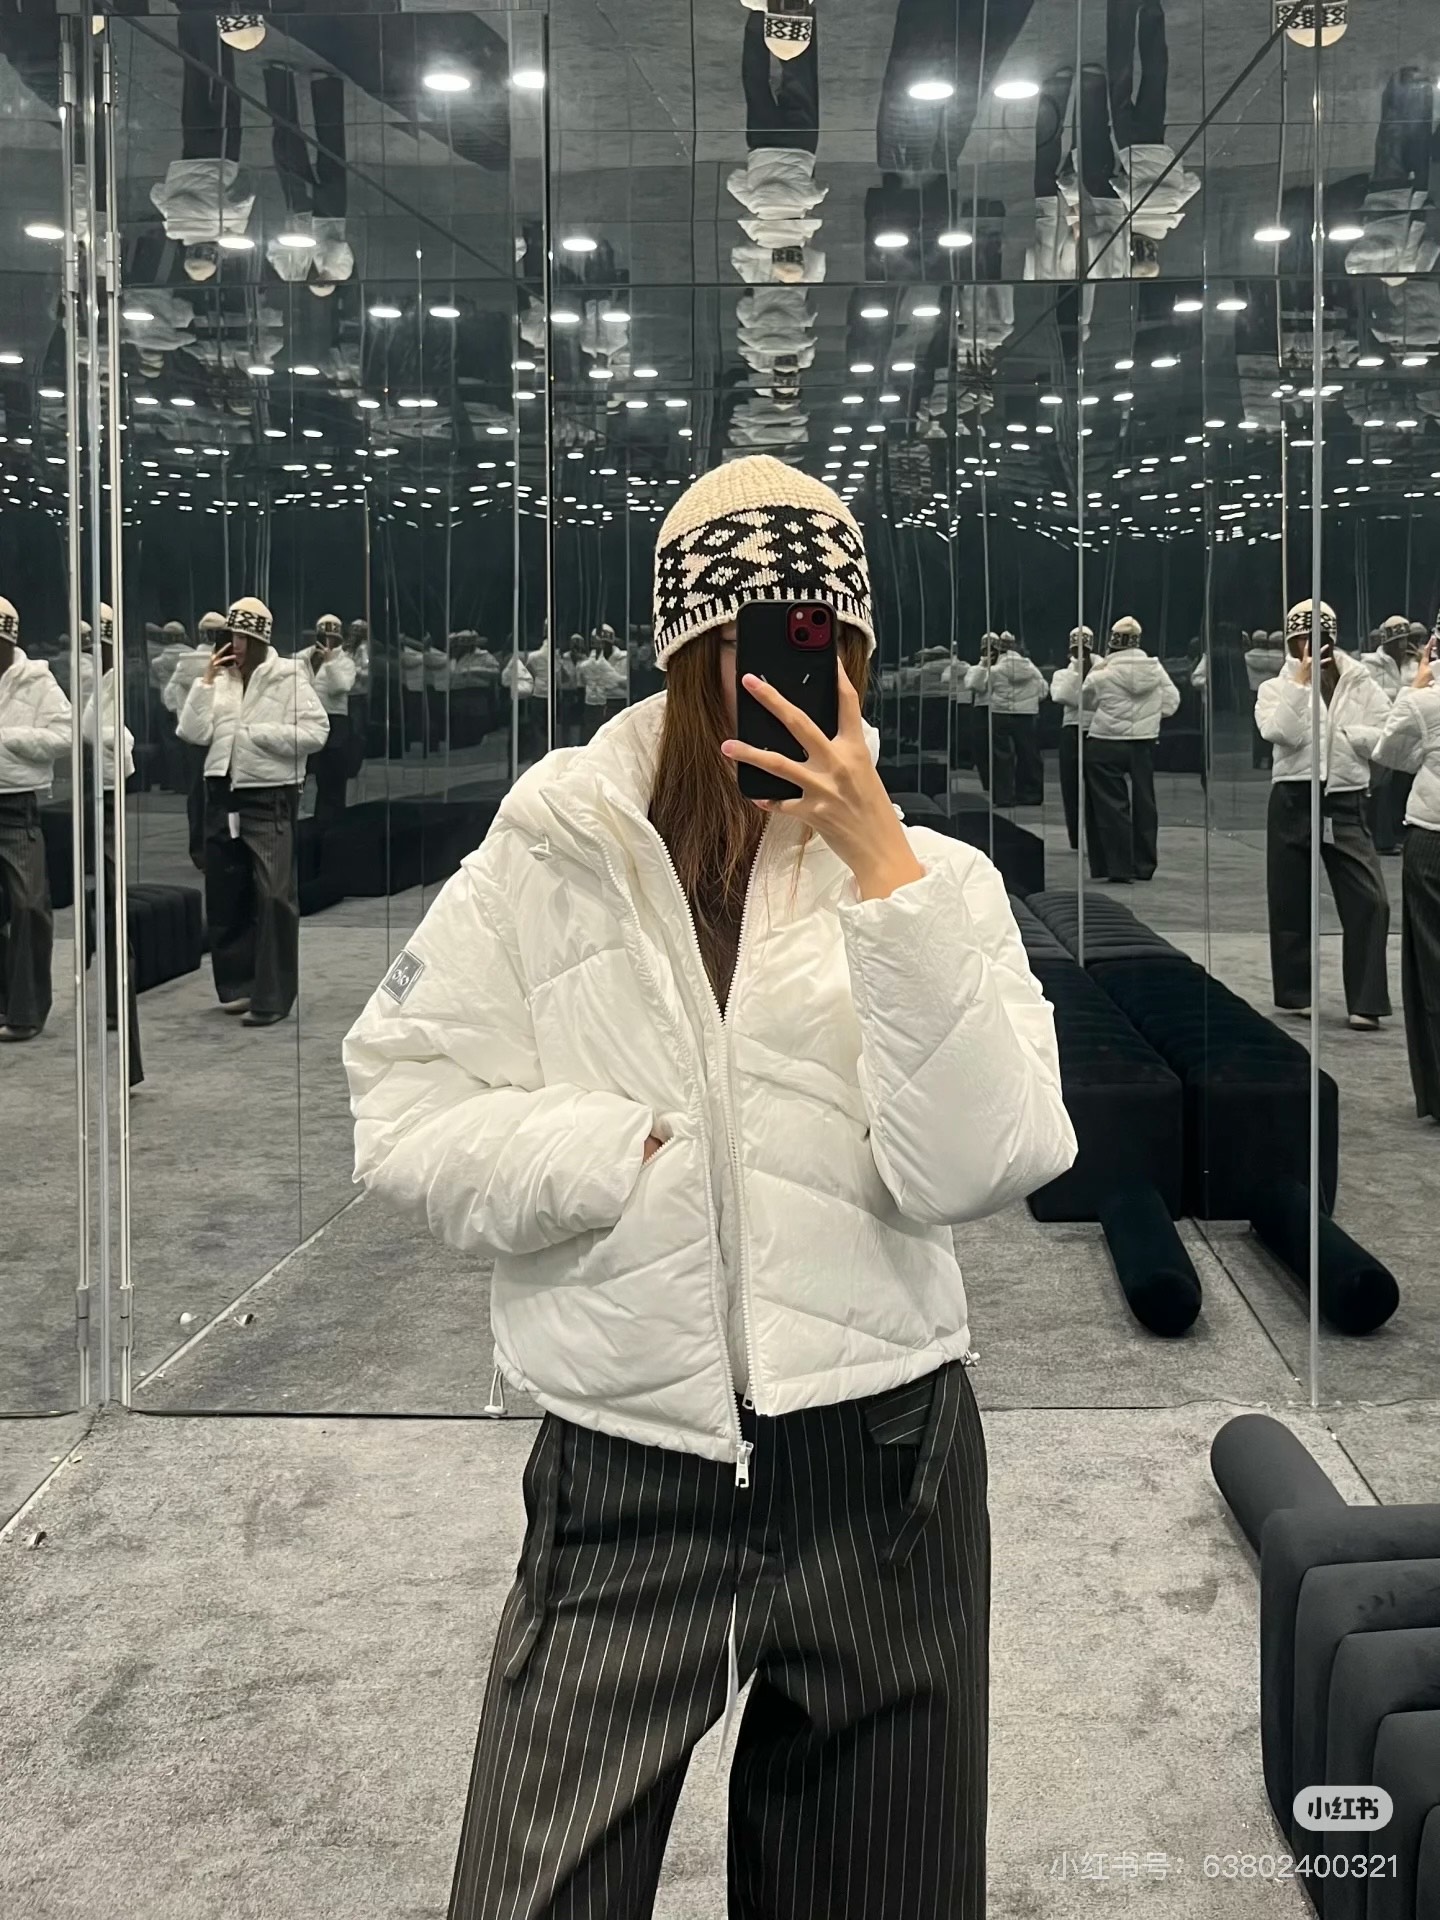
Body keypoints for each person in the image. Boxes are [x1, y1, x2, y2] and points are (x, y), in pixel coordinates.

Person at [345, 457, 1076, 1920]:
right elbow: (401, 1101)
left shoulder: (936, 882)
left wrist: (885, 873)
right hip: (627, 1466)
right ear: (689, 652)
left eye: (826, 641)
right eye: (753, 640)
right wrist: (617, 1154)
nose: (794, 676)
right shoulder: (551, 851)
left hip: (888, 1470)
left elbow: (984, 1163)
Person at [177, 595, 328, 1028]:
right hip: (221, 794)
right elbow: (192, 732)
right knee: (227, 895)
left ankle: (273, 995)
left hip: (268, 796)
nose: (236, 645)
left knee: (274, 895)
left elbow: (317, 731)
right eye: (231, 636)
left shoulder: (288, 677)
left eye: (244, 638)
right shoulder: (220, 680)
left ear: (260, 640)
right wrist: (206, 682)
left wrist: (254, 736)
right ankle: (238, 985)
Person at [1256, 599, 1393, 1030]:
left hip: (1344, 799)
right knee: (1290, 899)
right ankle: (1297, 992)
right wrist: (1300, 685)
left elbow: (1386, 733)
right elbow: (1280, 732)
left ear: (1333, 638)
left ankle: (1366, 1000)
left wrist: (1350, 736)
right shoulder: (1275, 687)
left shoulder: (1359, 680)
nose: (1309, 648)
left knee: (1370, 900)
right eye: (1300, 640)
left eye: (1318, 638)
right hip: (1293, 796)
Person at [1374, 636, 1440, 1118]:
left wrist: (1414, 686)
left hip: (1433, 835)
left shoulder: (1423, 703)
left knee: (1432, 963)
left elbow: (1389, 753)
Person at [0, 595, 70, 1042]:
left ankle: (27, 1010)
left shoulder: (37, 681)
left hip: (16, 807)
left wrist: (5, 741)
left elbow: (63, 736)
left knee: (29, 906)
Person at [79, 604, 142, 1086]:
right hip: (85, 792)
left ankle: (118, 998)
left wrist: (102, 742)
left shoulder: (123, 679)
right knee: (95, 901)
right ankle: (104, 992)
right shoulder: (90, 678)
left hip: (106, 795)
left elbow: (118, 739)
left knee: (112, 903)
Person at [1081, 614, 1179, 882]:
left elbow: (1085, 703)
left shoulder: (1102, 673)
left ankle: (1117, 866)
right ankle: (1144, 865)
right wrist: (1149, 718)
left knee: (1110, 805)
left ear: (1113, 643)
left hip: (1105, 741)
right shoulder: (1155, 670)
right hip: (1143, 742)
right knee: (1145, 802)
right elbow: (1172, 701)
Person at [164, 610, 225, 869]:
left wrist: (183, 713)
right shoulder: (227, 661)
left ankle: (198, 848)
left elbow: (169, 698)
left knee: (196, 793)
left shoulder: (185, 663)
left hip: (191, 737)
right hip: (219, 735)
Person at [300, 613, 357, 827]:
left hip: (335, 721)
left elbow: (340, 687)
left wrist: (330, 662)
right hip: (308, 718)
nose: (328, 643)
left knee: (332, 780)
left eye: (333, 639)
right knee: (304, 773)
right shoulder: (305, 657)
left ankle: (331, 824)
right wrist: (313, 662)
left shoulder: (346, 662)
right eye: (323, 638)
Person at [981, 631, 1046, 808]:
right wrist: (1030, 701)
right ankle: (1030, 794)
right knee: (1029, 754)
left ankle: (1004, 797)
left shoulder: (995, 670)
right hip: (1027, 714)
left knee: (1002, 756)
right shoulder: (1030, 668)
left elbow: (983, 688)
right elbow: (1043, 690)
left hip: (1000, 713)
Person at [1050, 625, 1095, 850]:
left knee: (1095, 789)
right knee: (1070, 787)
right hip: (1071, 729)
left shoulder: (1101, 670)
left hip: (1095, 730)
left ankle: (1097, 836)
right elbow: (1061, 696)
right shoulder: (1063, 674)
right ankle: (1075, 837)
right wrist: (1076, 670)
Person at [1244, 627, 1286, 769]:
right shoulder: (1282, 658)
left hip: (1254, 692)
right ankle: (1271, 759)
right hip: (1276, 693)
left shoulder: (1248, 656)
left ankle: (1257, 759)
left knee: (1257, 728)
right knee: (1274, 725)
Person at [964, 631, 999, 792]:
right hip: (981, 708)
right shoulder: (975, 668)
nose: (989, 653)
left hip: (998, 709)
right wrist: (983, 666)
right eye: (986, 650)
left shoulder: (1002, 668)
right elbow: (974, 685)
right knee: (981, 747)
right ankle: (987, 782)